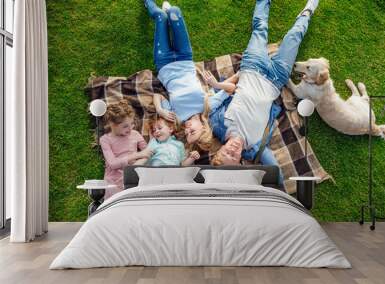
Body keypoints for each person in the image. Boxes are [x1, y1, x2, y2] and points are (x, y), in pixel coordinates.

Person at [212, 0, 319, 183]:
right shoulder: (256, 147)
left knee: (260, 28)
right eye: (234, 156)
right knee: (294, 36)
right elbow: (276, 173)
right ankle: (309, 9)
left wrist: (227, 82)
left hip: (252, 66)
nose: (232, 150)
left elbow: (213, 101)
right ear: (241, 161)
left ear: (220, 149)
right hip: (276, 78)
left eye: (226, 152)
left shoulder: (218, 125)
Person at [144, 0, 234, 156]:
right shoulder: (208, 106)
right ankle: (170, 16)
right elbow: (232, 89)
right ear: (203, 127)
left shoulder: (175, 118)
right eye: (191, 131)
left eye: (186, 133)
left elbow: (157, 96)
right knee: (175, 12)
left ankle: (151, 6)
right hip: (185, 58)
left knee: (160, 17)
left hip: (164, 63)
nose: (186, 129)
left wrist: (160, 109)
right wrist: (216, 84)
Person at [100, 100, 153, 198]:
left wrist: (134, 166)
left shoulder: (135, 134)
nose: (130, 128)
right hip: (113, 182)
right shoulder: (105, 140)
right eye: (125, 126)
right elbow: (113, 164)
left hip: (133, 177)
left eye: (132, 124)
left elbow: (148, 152)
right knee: (114, 207)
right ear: (112, 124)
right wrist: (136, 155)